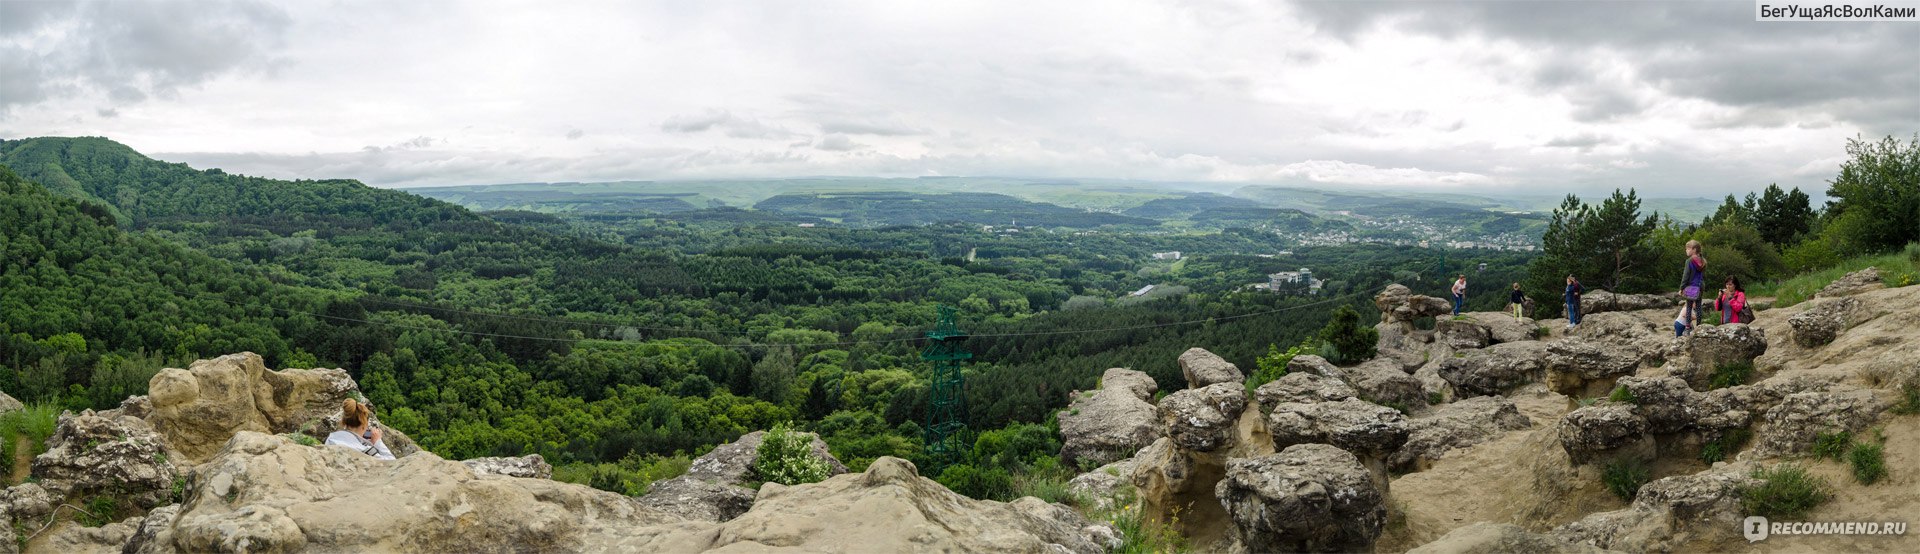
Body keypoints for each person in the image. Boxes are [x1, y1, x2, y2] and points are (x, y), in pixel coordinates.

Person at [326, 398, 395, 460]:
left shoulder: (331, 438)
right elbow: (392, 462)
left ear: (344, 422)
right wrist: (378, 442)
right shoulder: (364, 450)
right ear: (364, 424)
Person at [1679, 240, 1708, 334]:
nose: (1686, 251)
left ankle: (1687, 327)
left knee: (1689, 307)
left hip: (1691, 287)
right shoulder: (1703, 260)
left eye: (1687, 248)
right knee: (1698, 307)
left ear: (1694, 249)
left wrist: (1682, 287)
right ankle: (1699, 325)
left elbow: (1686, 275)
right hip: (1700, 286)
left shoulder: (1689, 261)